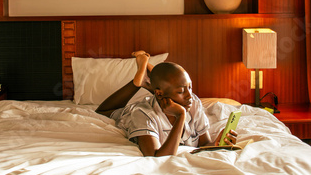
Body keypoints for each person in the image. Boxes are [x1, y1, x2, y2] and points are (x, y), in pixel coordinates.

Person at [96, 51, 237, 157]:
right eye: (182, 91)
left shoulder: (193, 103)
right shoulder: (142, 114)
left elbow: (204, 143)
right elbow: (156, 157)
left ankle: (145, 77)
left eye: (190, 87)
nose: (189, 96)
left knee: (167, 90)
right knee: (103, 112)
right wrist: (181, 116)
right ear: (158, 94)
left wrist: (216, 144)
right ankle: (137, 83)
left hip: (160, 94)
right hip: (130, 113)